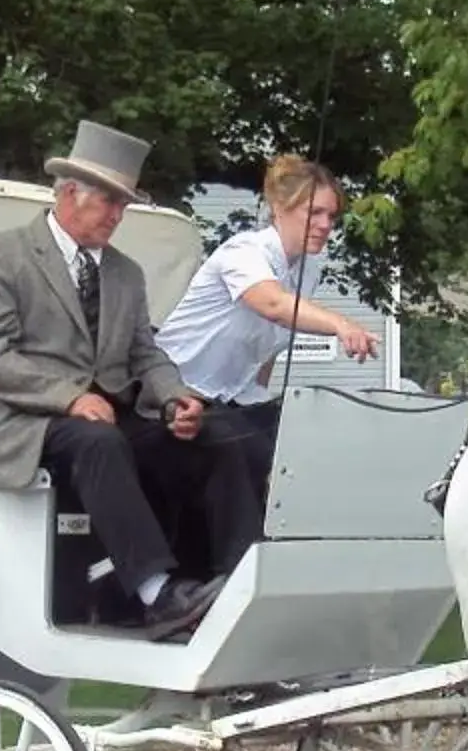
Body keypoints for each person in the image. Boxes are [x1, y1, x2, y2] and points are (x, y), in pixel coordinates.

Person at [0, 120, 260, 639]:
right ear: (70, 194)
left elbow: (147, 354)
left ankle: (239, 583)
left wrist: (175, 399)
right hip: (28, 421)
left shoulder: (125, 273)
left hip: (110, 418)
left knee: (220, 438)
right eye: (110, 203)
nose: (119, 216)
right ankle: (156, 593)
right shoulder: (2, 256)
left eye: (124, 204)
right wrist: (70, 398)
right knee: (99, 440)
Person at [155, 156, 378, 501]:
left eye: (331, 216)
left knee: (305, 445)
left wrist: (259, 402)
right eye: (314, 212)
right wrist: (340, 324)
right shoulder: (244, 251)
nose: (325, 225)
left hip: (231, 397)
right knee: (245, 455)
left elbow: (267, 349)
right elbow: (273, 305)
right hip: (176, 391)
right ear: (279, 208)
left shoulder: (309, 268)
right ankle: (242, 552)